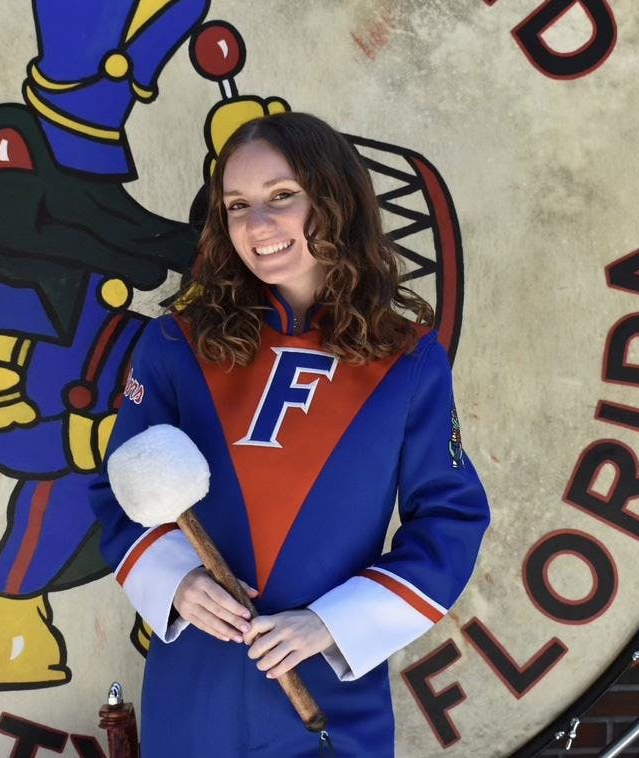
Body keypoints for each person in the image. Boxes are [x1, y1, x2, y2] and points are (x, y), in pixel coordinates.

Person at [88, 112, 490, 757]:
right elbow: (120, 490)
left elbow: (450, 518)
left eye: (282, 197)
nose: (256, 225)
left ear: (334, 200)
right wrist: (177, 582)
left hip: (329, 687)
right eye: (237, 205)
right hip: (197, 682)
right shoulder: (174, 344)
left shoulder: (409, 361)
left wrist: (331, 626)